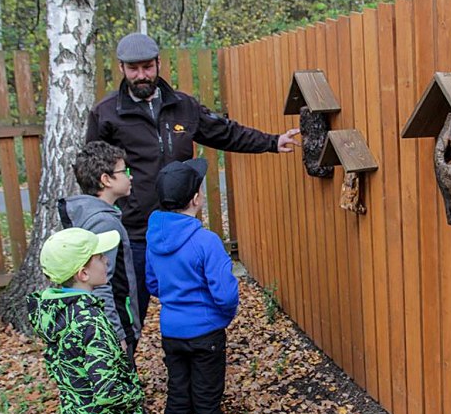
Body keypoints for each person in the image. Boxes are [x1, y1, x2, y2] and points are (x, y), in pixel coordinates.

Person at [86, 32, 299, 326]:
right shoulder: (106, 113)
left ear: (158, 63)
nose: (141, 75)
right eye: (133, 69)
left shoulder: (183, 106)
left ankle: (191, 362)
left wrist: (272, 142)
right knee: (128, 316)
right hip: (134, 233)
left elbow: (225, 132)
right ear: (121, 68)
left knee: (192, 307)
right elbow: (93, 169)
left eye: (147, 67)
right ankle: (125, 367)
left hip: (182, 229)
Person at [27, 228, 155, 414]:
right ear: (83, 274)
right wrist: (134, 396)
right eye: (99, 257)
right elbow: (107, 390)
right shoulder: (91, 321)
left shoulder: (56, 313)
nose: (106, 260)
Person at [145, 159, 239, 414]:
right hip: (205, 333)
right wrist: (221, 315)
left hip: (171, 330)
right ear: (196, 199)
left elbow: (152, 283)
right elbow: (225, 294)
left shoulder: (154, 239)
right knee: (207, 395)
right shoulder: (205, 241)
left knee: (178, 390)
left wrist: (176, 300)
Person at [58, 141, 141, 364]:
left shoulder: (93, 213)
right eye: (124, 171)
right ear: (106, 180)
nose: (130, 177)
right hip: (115, 326)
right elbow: (101, 285)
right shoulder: (103, 223)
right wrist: (117, 336)